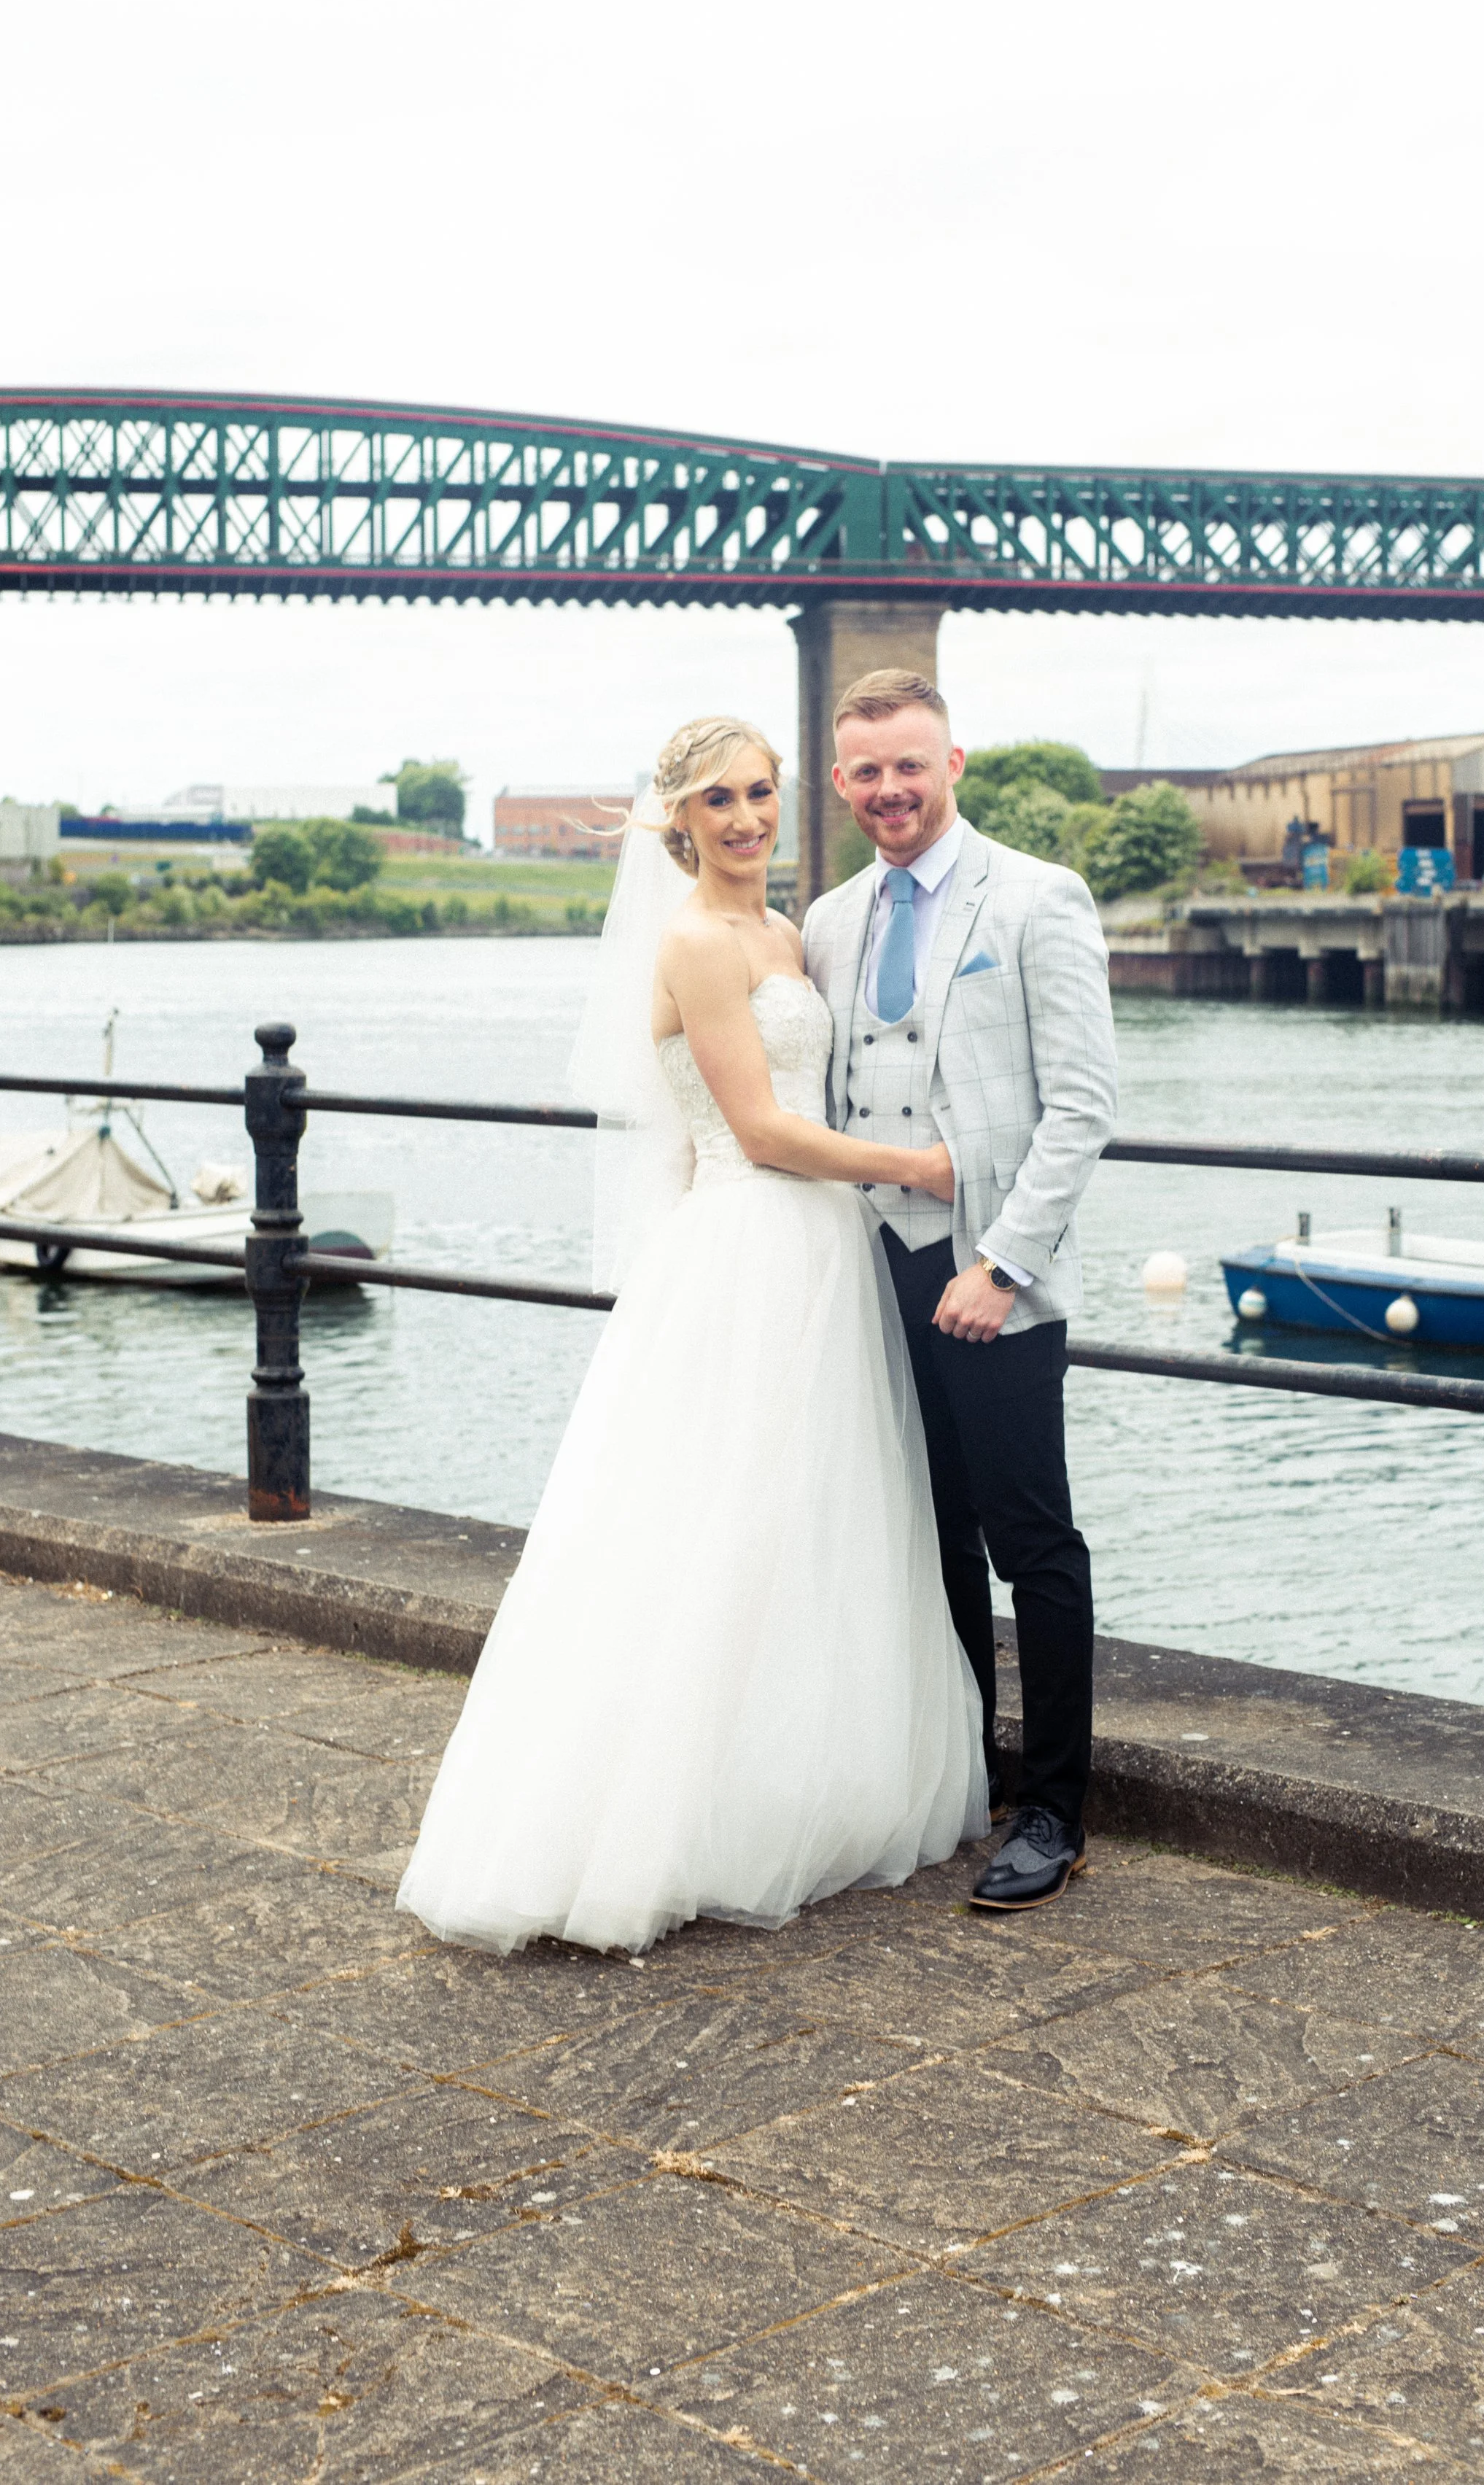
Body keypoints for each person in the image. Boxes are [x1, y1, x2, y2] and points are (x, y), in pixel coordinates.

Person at [397, 716, 987, 1958]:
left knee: (810, 1521)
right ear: (679, 821)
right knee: (712, 1523)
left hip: (817, 1251)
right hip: (753, 1247)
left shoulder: (789, 932)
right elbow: (761, 1131)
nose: (744, 819)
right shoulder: (698, 942)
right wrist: (918, 1165)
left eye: (761, 793)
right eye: (717, 801)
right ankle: (662, 1816)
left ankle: (796, 1782)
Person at [803, 670, 1117, 1912]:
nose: (890, 789)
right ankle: (966, 1772)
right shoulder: (830, 918)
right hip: (871, 1263)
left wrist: (1001, 1261)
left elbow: (1083, 1105)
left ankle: (1055, 1808)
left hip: (990, 1267)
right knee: (930, 1528)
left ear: (954, 764)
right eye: (867, 771)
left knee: (1031, 1535)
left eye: (910, 766)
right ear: (842, 782)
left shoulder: (1039, 898)